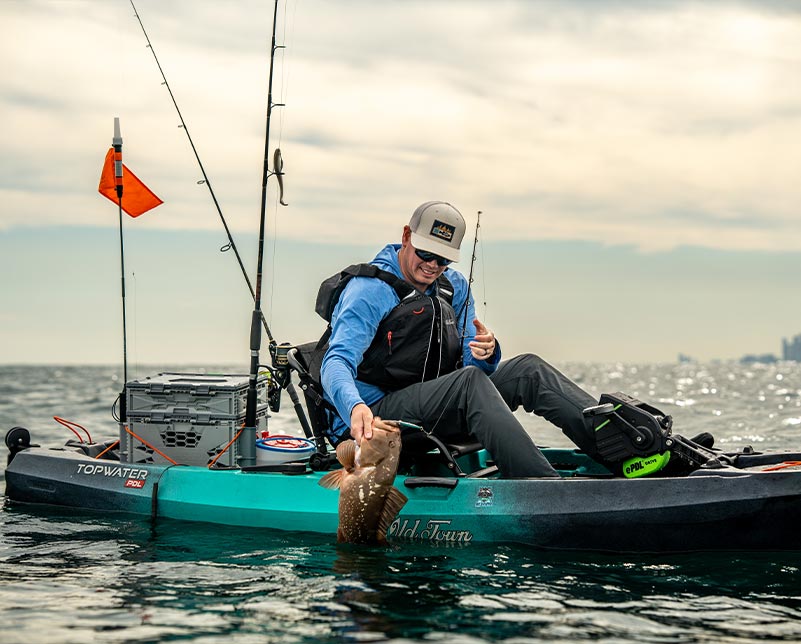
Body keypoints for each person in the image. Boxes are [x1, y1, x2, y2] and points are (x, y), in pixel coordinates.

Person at [320, 201, 602, 478]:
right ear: (406, 236)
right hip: (375, 422)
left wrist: (486, 354)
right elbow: (335, 363)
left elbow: (472, 368)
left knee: (528, 370)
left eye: (443, 259)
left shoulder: (454, 286)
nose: (432, 266)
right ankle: (542, 488)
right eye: (425, 253)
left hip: (432, 407)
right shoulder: (369, 290)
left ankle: (625, 450)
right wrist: (355, 407)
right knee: (468, 384)